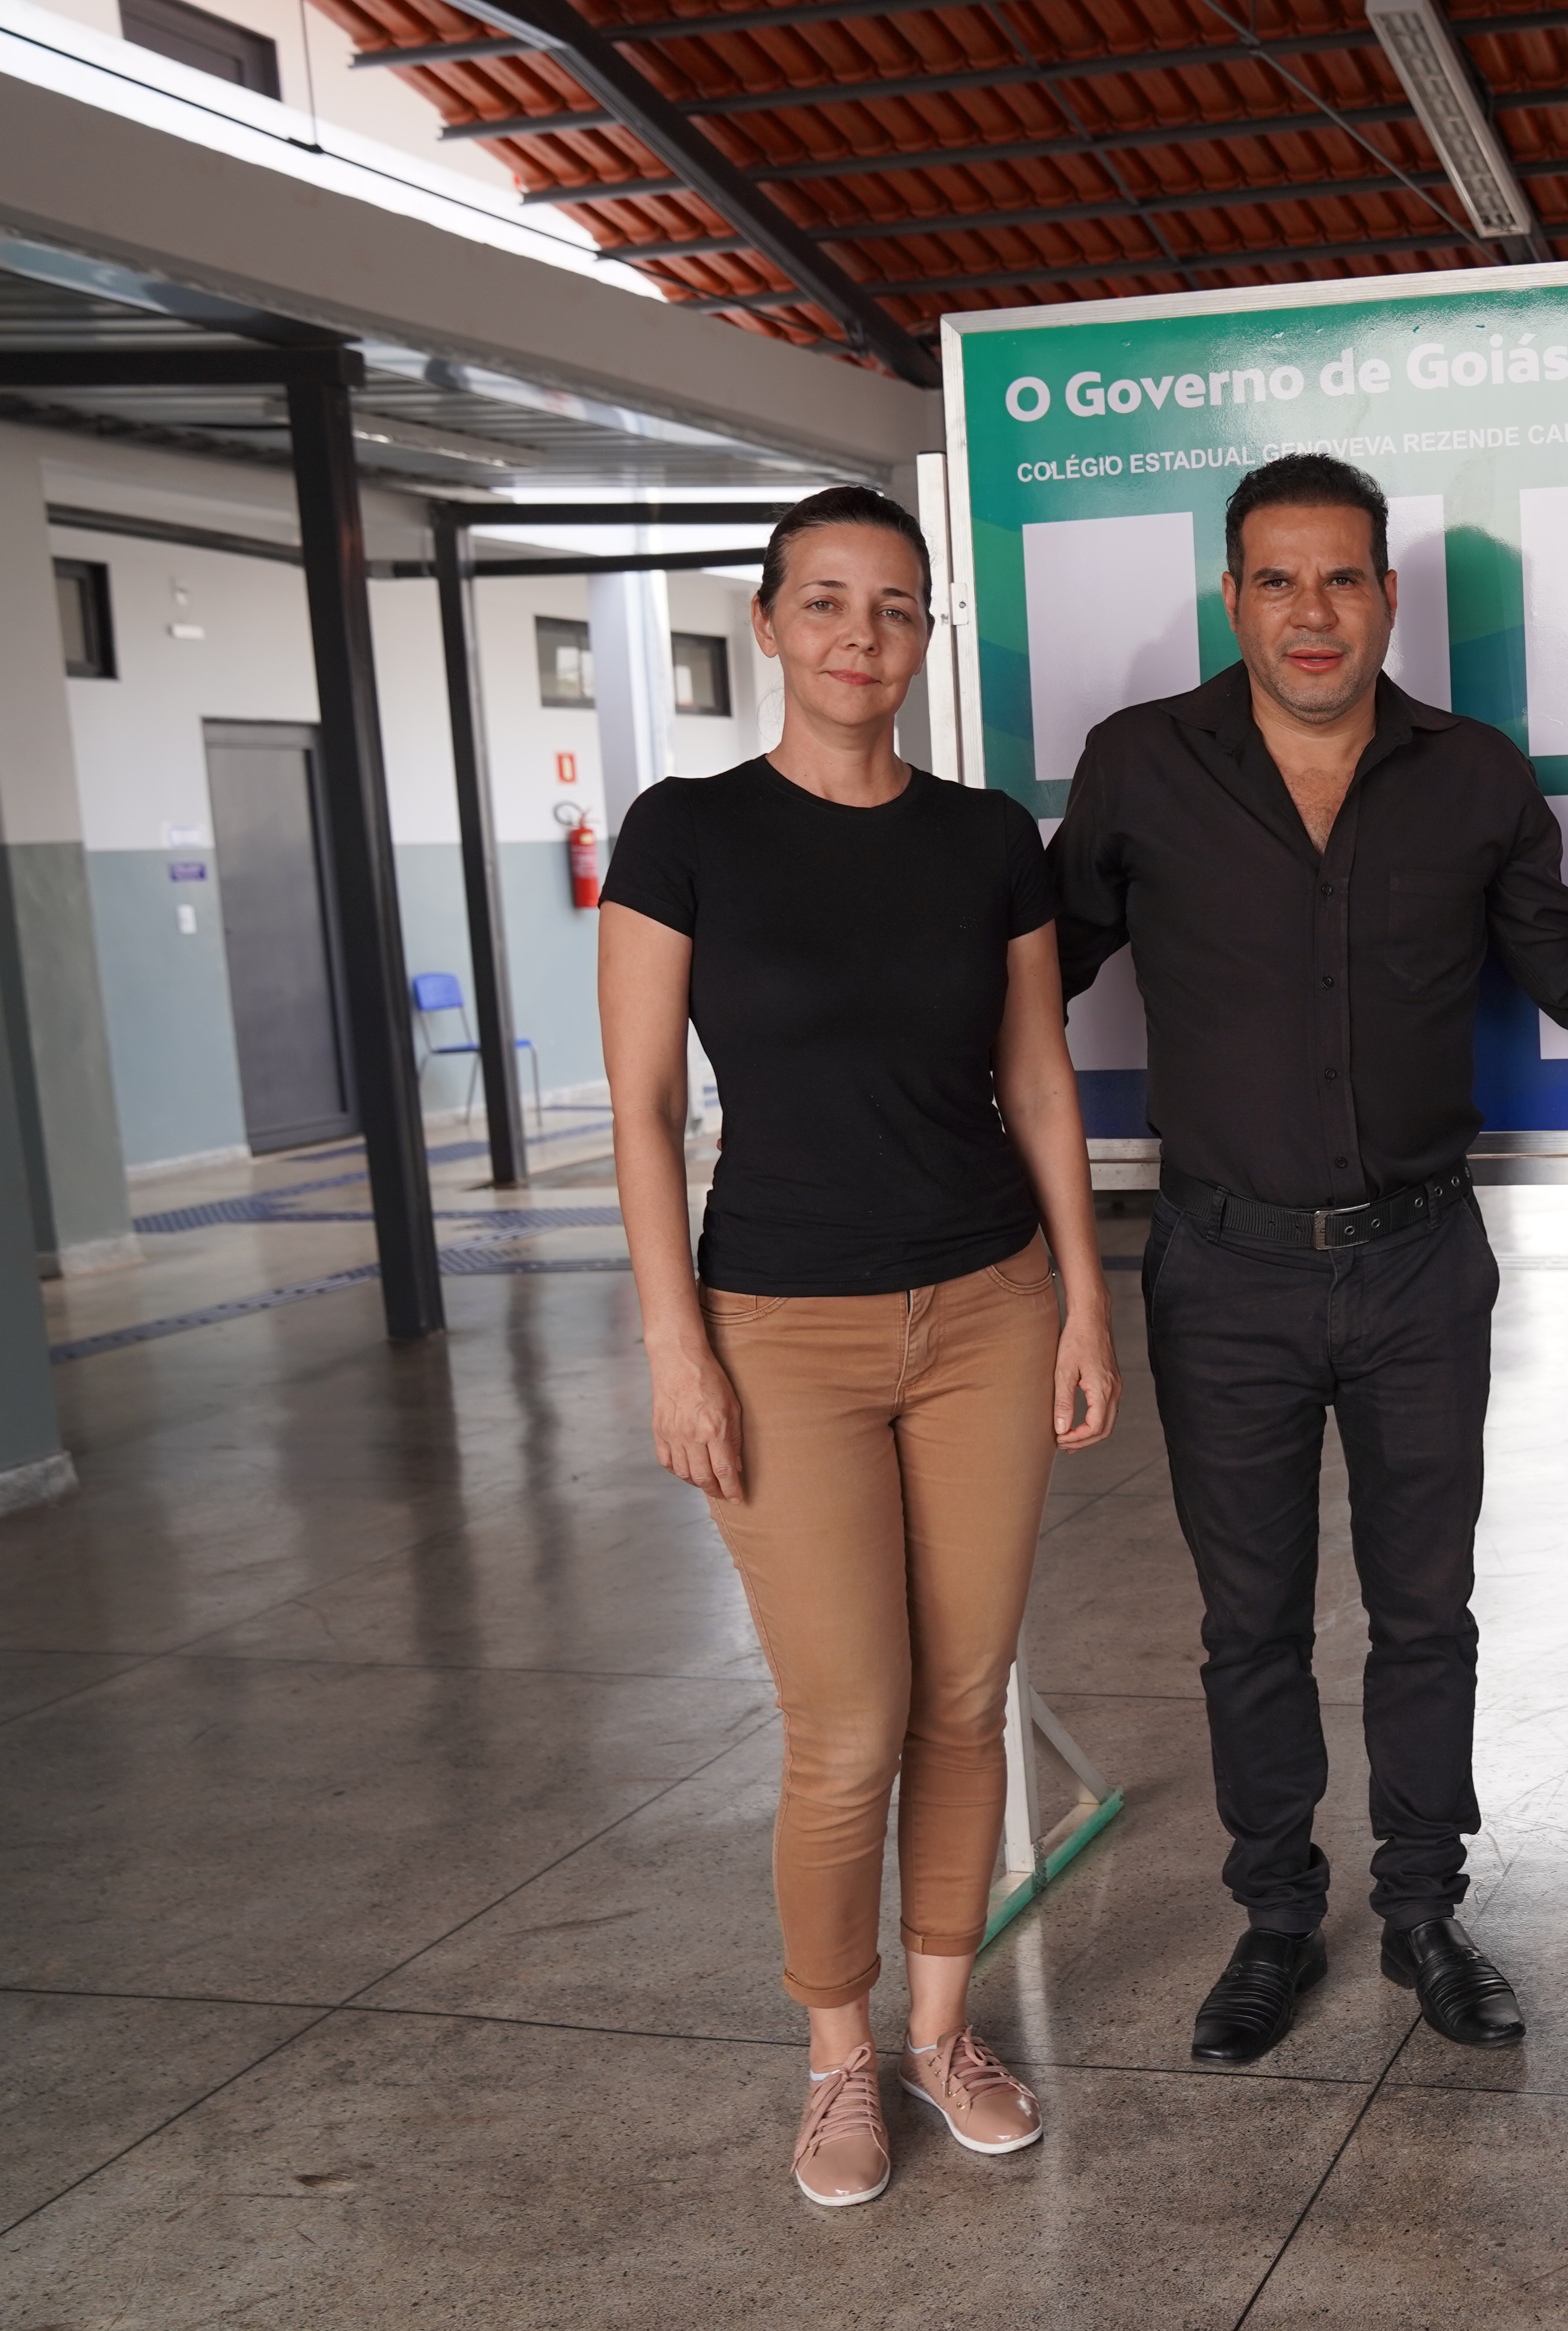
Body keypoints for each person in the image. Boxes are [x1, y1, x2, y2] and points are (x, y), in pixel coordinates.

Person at [1050, 454, 1568, 2068]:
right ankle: (1272, 1920)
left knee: (1426, 1612)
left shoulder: (1470, 776)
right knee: (1248, 1620)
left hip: (1417, 1270)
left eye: (1343, 580)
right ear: (1234, 596)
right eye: (1278, 579)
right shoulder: (1141, 766)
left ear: (1389, 597)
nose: (1312, 613)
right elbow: (1029, 967)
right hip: (1221, 1271)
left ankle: (1422, 1913)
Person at [600, 486, 1119, 2208]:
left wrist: (1081, 1297)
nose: (858, 638)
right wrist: (677, 1347)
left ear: (922, 636)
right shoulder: (685, 829)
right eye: (824, 604)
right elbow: (647, 1104)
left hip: (985, 1306)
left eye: (893, 609)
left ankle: (946, 2031)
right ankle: (834, 2059)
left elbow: (1037, 1077)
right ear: (766, 626)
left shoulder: (986, 838)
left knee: (965, 1699)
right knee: (850, 1721)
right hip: (778, 1325)